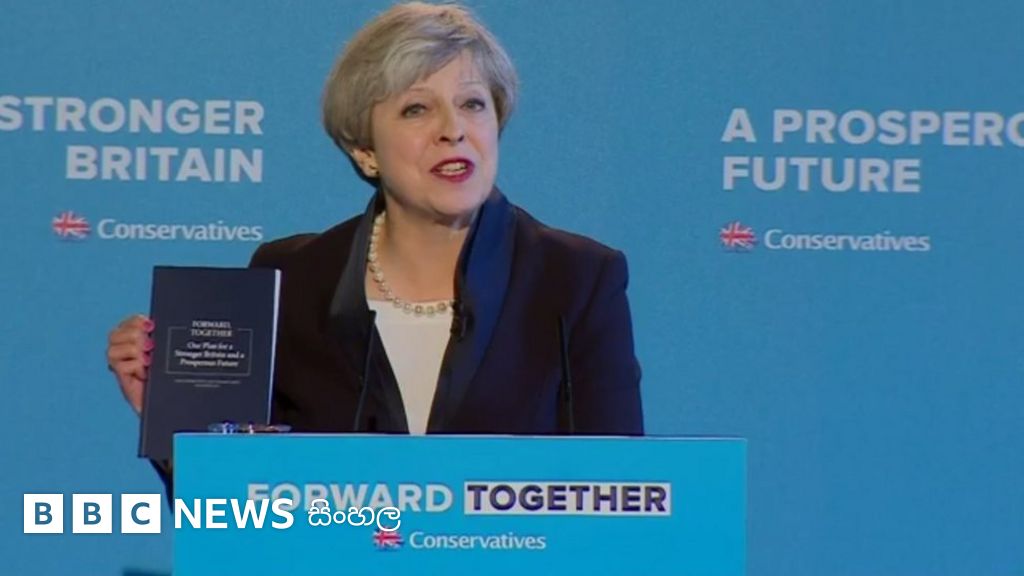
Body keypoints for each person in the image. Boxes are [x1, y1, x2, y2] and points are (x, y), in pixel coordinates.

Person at [106, 1, 642, 484]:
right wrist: (175, 428)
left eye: (473, 104)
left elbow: (623, 500)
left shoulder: (575, 280)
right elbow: (246, 514)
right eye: (417, 109)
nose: (453, 129)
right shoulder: (292, 280)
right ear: (365, 150)